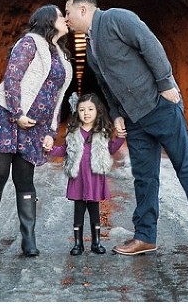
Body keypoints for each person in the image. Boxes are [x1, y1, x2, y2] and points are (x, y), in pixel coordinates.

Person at [63, 0, 188, 260]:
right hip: (134, 119)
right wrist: (116, 114)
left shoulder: (116, 18)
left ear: (82, 10)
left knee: (187, 166)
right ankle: (145, 236)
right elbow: (105, 85)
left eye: (67, 13)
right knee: (145, 179)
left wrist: (165, 83)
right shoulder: (91, 49)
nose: (65, 19)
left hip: (160, 107)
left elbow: (150, 44)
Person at [0, 4, 73, 258]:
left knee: (25, 179)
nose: (66, 19)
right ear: (48, 21)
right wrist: (18, 113)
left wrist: (51, 130)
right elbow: (12, 78)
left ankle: (28, 238)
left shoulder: (62, 56)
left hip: (34, 127)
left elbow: (57, 98)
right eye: (61, 16)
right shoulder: (29, 43)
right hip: (7, 118)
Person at [46, 92, 126, 255]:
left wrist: (119, 138)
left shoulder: (102, 132)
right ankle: (78, 243)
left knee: (94, 211)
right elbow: (64, 150)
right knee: (79, 211)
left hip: (95, 178)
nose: (86, 113)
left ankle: (96, 242)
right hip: (79, 178)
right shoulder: (73, 132)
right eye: (82, 110)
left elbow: (110, 149)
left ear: (97, 111)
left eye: (90, 109)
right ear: (77, 112)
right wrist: (50, 150)